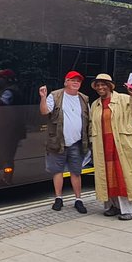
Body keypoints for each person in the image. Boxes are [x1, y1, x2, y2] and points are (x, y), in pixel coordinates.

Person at [89, 73, 132, 220]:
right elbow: (92, 125)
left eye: (103, 84)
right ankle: (113, 206)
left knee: (122, 176)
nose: (100, 87)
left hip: (121, 145)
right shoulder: (95, 105)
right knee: (107, 176)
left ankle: (129, 210)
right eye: (98, 85)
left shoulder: (124, 99)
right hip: (103, 146)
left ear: (110, 86)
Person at [39, 70, 90, 213]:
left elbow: (89, 119)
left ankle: (78, 200)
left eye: (78, 81)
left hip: (77, 142)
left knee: (76, 172)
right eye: (72, 80)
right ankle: (58, 198)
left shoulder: (84, 99)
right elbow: (44, 111)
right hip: (57, 140)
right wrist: (43, 97)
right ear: (65, 82)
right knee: (57, 171)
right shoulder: (55, 95)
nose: (75, 83)